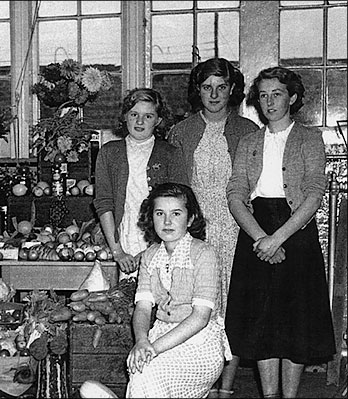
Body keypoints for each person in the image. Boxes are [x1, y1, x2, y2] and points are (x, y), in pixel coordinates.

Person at [225, 66, 335, 398]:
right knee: (262, 320)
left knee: (295, 318)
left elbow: (315, 193)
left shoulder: (309, 139)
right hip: (256, 230)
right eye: (263, 95)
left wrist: (278, 238)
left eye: (277, 94)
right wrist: (260, 237)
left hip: (295, 232)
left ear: (293, 97)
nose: (270, 102)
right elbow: (235, 193)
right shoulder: (248, 141)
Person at [167, 57, 259, 398]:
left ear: (232, 90)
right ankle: (193, 384)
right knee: (192, 305)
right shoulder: (182, 132)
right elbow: (175, 189)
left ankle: (225, 387)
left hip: (237, 230)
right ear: (198, 91)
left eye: (222, 87)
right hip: (196, 230)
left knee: (231, 309)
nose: (214, 94)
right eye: (207, 87)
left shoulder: (249, 132)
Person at [126, 182, 231, 398]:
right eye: (159, 213)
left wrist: (153, 350)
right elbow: (143, 308)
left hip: (200, 345)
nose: (167, 221)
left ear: (190, 218)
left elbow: (200, 318)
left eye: (176, 213)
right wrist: (142, 341)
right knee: (139, 370)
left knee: (150, 372)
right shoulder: (149, 256)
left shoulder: (204, 254)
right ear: (151, 217)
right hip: (160, 336)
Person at [93, 88, 188, 280]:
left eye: (148, 116)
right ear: (125, 117)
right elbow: (104, 203)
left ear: (158, 120)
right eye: (134, 114)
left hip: (164, 240)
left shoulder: (171, 153)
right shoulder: (108, 152)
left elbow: (181, 207)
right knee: (125, 299)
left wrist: (151, 251)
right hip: (123, 238)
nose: (139, 121)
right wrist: (118, 251)